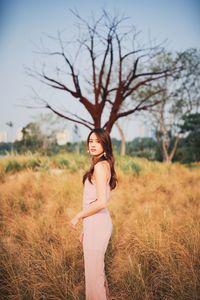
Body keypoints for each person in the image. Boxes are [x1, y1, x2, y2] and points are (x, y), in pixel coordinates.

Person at [69, 128, 117, 300]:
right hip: (95, 224)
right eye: (91, 141)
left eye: (98, 141)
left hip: (98, 224)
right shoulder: (103, 165)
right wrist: (85, 228)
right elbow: (95, 202)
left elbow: (101, 202)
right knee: (96, 272)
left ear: (105, 145)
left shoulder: (99, 167)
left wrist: (78, 216)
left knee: (94, 275)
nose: (94, 144)